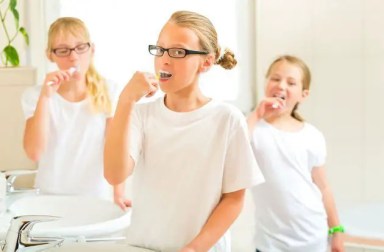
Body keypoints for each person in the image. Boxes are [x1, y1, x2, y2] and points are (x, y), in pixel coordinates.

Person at [104, 10, 264, 252]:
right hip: (145, 246)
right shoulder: (141, 114)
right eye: (160, 49)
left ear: (206, 62)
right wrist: (125, 100)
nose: (164, 60)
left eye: (178, 52)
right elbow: (114, 175)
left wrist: (194, 248)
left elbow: (234, 199)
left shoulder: (227, 119)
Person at [21, 17, 130, 210]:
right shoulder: (35, 96)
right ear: (50, 55)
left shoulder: (110, 91)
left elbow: (115, 148)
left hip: (95, 198)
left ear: (92, 50)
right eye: (63, 50)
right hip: (48, 198)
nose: (73, 57)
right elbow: (34, 152)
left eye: (80, 47)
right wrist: (45, 99)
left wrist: (118, 193)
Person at [247, 55, 344, 252]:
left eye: (291, 82)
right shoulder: (253, 128)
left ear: (303, 94)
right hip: (270, 243)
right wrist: (257, 114)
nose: (281, 85)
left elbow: (323, 187)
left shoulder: (312, 135)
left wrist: (337, 230)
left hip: (312, 237)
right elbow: (234, 150)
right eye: (275, 78)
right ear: (266, 83)